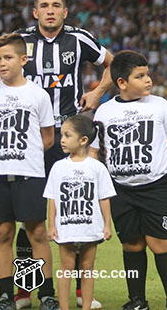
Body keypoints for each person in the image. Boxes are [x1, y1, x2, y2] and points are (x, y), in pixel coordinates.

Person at [15, 0, 114, 310]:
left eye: (56, 5)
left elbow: (114, 64)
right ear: (35, 11)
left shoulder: (79, 38)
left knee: (75, 214)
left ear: (65, 11)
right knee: (31, 217)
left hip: (70, 138)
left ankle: (79, 293)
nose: (50, 10)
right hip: (31, 141)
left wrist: (98, 93)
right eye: (44, 5)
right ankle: (25, 291)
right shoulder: (21, 41)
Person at [91, 51, 167, 310]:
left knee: (162, 243)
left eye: (147, 74)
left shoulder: (160, 105)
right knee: (132, 245)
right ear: (121, 82)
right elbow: (95, 152)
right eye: (140, 76)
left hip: (157, 187)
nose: (148, 80)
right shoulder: (104, 111)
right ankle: (137, 300)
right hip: (120, 190)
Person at [0, 33, 58, 310]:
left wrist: (25, 157)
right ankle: (6, 294)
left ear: (23, 59)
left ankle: (47, 294)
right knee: (3, 233)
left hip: (30, 174)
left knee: (37, 233)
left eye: (7, 58)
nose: (1, 63)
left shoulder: (38, 94)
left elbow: (48, 138)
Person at [43, 115, 116, 310]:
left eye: (67, 135)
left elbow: (104, 198)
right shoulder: (58, 167)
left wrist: (107, 225)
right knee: (66, 269)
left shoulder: (97, 168)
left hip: (90, 227)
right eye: (62, 135)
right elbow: (52, 198)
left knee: (87, 269)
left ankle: (85, 306)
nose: (62, 140)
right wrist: (51, 225)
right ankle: (64, 307)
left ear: (84, 140)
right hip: (66, 227)